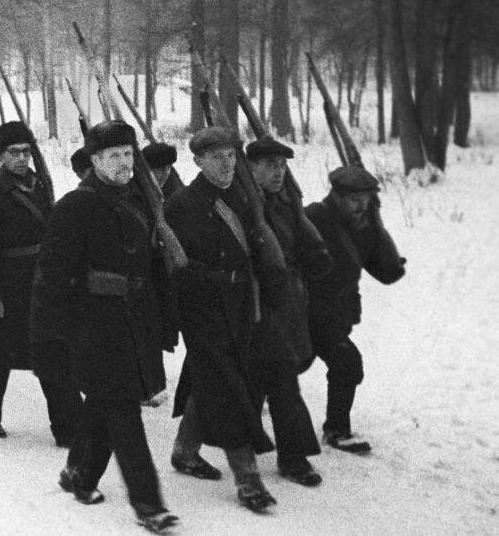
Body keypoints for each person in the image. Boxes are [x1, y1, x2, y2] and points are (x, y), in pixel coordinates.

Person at [32, 121, 178, 533]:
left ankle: (79, 474)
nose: (123, 162)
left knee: (103, 404)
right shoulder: (76, 206)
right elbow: (52, 274)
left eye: (128, 154)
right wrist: (54, 335)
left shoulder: (141, 199)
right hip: (95, 326)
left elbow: (153, 266)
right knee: (124, 411)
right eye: (113, 155)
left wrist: (164, 319)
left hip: (135, 321)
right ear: (94, 161)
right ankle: (149, 505)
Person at [165, 126, 287, 513]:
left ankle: (185, 451)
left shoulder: (243, 196)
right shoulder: (182, 204)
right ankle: (247, 478)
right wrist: (215, 280)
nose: (226, 163)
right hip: (202, 309)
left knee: (216, 379)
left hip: (242, 303)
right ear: (198, 161)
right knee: (228, 387)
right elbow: (176, 268)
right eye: (216, 157)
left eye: (231, 155)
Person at [0, 121, 78, 445]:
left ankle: (67, 427)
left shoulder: (40, 185)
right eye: (14, 152)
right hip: (8, 285)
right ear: (2, 155)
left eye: (25, 151)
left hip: (42, 281)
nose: (21, 158)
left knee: (52, 351)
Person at [245, 138, 332, 486]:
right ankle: (292, 456)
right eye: (269, 165)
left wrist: (316, 261)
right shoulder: (242, 203)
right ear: (251, 167)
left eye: (282, 165)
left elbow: (305, 245)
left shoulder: (286, 202)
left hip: (286, 302)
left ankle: (246, 438)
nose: (278, 172)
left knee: (262, 377)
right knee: (280, 378)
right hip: (255, 303)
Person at [302, 166, 406, 455]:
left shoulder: (365, 227)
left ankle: (336, 430)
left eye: (366, 199)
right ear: (337, 196)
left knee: (342, 365)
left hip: (335, 316)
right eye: (354, 200)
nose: (361, 206)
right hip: (304, 312)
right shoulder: (312, 218)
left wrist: (378, 227)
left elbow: (388, 273)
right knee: (287, 367)